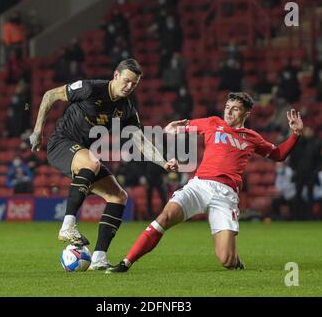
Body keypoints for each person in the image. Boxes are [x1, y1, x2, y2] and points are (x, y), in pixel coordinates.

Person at [106, 92, 304, 273]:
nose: (229, 111)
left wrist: (295, 135)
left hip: (226, 195)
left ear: (247, 113)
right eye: (227, 106)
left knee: (226, 260)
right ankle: (126, 262)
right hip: (199, 185)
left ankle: (235, 261)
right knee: (165, 217)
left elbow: (278, 155)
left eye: (235, 108)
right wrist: (171, 131)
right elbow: (178, 128)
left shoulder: (252, 138)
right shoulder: (212, 123)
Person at [29, 59, 178, 270]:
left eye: (133, 84)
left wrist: (163, 163)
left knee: (118, 196)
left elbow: (141, 141)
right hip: (61, 144)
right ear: (115, 76)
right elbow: (50, 95)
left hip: (84, 154)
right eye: (126, 81)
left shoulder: (126, 109)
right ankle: (67, 226)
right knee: (92, 162)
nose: (129, 87)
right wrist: (37, 131)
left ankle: (98, 258)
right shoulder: (90, 88)